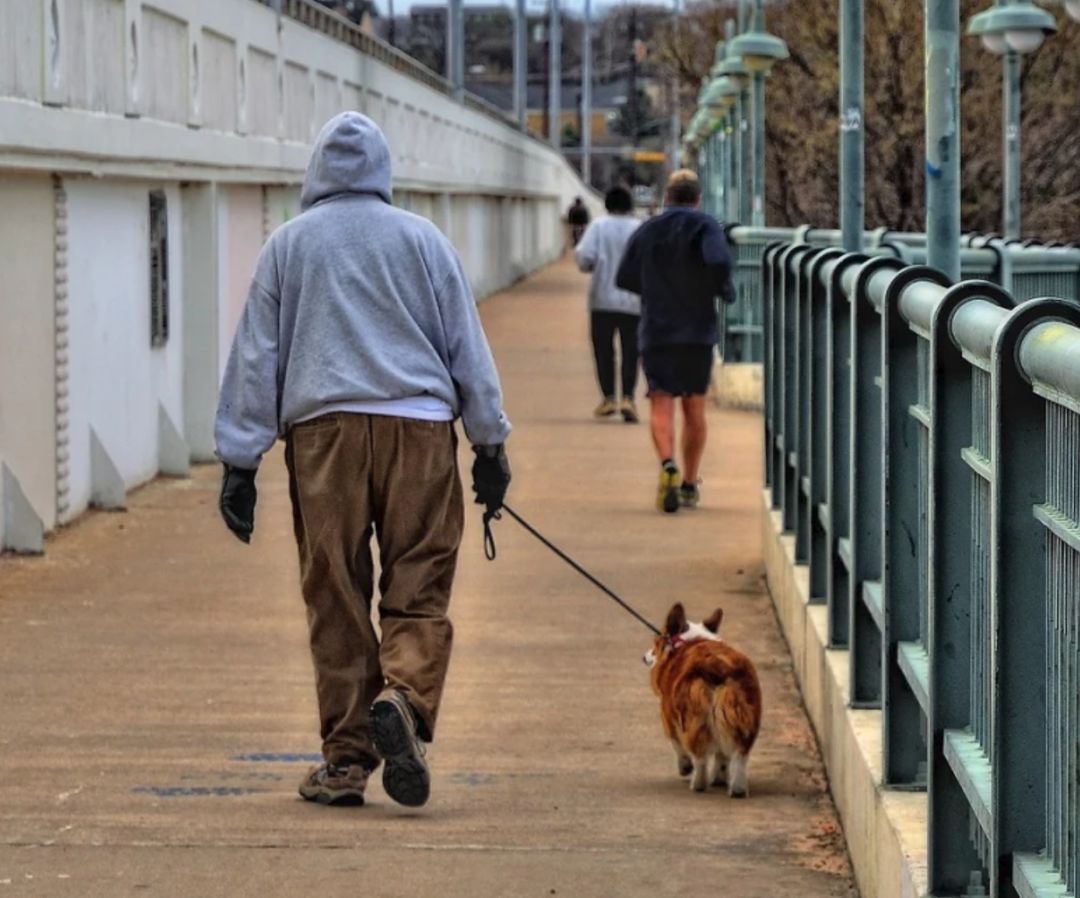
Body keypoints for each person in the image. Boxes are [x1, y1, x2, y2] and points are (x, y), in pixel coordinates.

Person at [214, 112, 512, 809]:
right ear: (383, 171)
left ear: (315, 172)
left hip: (325, 433)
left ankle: (347, 762)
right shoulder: (423, 240)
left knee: (336, 592)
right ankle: (404, 699)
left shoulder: (288, 246)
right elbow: (467, 344)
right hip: (421, 430)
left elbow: (258, 355)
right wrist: (490, 442)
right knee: (420, 578)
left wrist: (238, 459)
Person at [615, 169, 733, 514]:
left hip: (657, 330)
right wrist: (722, 289)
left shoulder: (648, 229)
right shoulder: (706, 226)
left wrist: (653, 290)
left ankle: (667, 464)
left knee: (661, 401)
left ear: (666, 198)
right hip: (697, 331)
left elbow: (624, 275)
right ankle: (689, 483)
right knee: (694, 409)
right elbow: (719, 261)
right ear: (697, 199)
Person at [573, 185, 641, 422]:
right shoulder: (639, 228)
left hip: (602, 299)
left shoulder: (599, 226)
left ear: (607, 204)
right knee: (631, 350)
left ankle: (609, 397)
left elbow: (584, 257)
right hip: (634, 300)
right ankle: (629, 398)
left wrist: (594, 267)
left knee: (604, 350)